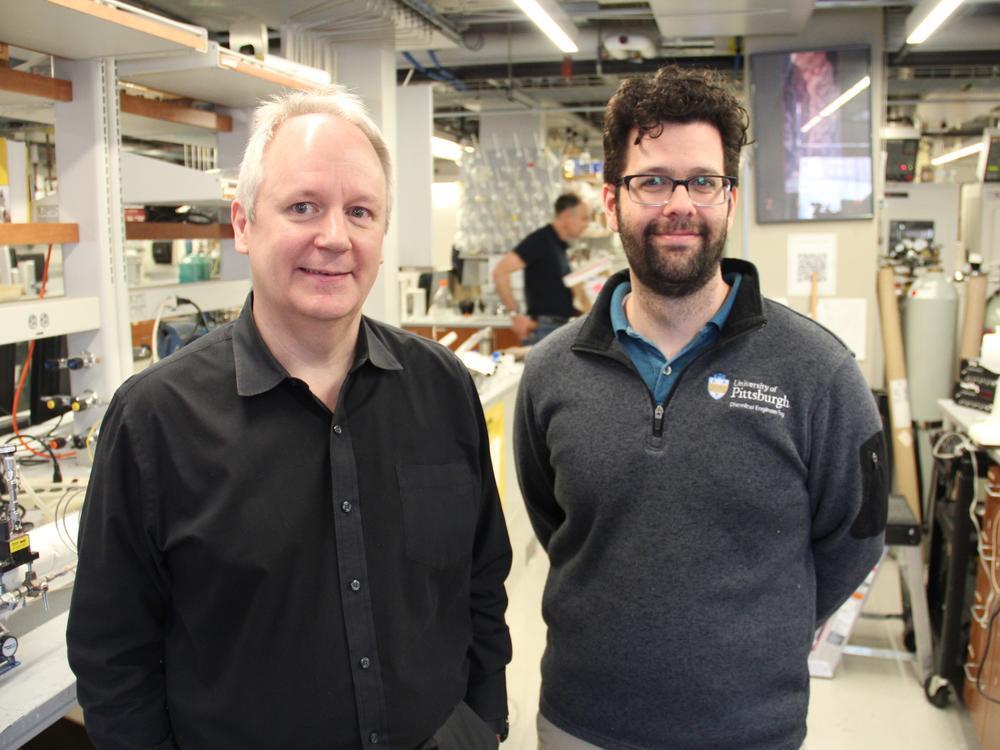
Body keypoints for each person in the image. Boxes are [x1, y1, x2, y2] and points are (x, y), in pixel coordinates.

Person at [67, 86, 512, 750]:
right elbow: (113, 653)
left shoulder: (441, 387)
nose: (333, 237)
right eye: (303, 206)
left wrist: (478, 727)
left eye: (360, 212)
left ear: (382, 234)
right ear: (244, 224)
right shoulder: (154, 419)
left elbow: (480, 581)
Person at [514, 65, 888, 750]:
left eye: (703, 181)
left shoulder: (818, 370)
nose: (678, 203)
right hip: (582, 724)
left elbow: (855, 536)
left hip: (751, 731)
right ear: (610, 199)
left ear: (730, 198)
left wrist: (757, 637)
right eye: (652, 180)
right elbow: (558, 523)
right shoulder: (551, 371)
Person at [491, 193, 591, 344]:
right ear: (566, 215)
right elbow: (500, 271)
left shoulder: (560, 245)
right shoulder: (541, 240)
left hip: (557, 326)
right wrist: (515, 315)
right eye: (584, 218)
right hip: (544, 328)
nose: (587, 224)